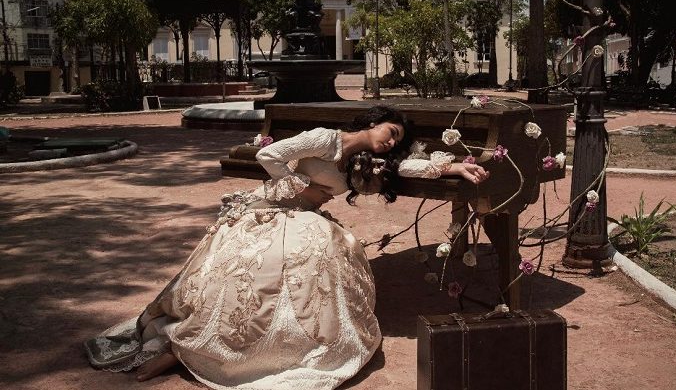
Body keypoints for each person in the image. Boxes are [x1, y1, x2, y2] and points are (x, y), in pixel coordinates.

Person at [84, 106, 488, 389]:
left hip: (305, 218)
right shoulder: (324, 139)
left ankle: (284, 348)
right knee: (265, 264)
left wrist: (454, 166)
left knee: (319, 252)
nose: (389, 142)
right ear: (374, 121)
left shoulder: (366, 161)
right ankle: (181, 345)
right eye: (391, 132)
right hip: (270, 209)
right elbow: (269, 153)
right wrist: (300, 185)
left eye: (396, 140)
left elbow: (407, 167)